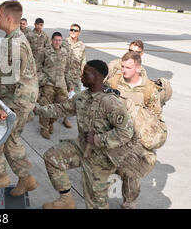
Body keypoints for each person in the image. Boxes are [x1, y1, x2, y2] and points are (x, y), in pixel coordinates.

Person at [36, 60, 133, 209]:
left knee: (96, 203)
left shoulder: (111, 103)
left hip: (102, 158)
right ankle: (66, 200)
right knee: (52, 157)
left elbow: (126, 132)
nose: (81, 77)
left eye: (85, 74)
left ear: (97, 77)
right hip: (82, 147)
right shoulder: (82, 97)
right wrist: (37, 109)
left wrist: (98, 139)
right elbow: (62, 109)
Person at [0, 1, 39, 196]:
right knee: (11, 138)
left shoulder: (14, 44)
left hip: (17, 100)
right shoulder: (14, 38)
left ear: (9, 18)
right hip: (20, 99)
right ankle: (26, 179)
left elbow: (17, 81)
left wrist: (7, 108)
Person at [106, 51, 161, 209]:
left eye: (128, 67)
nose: (124, 70)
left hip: (135, 142)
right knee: (106, 175)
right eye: (122, 66)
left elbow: (154, 120)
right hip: (114, 137)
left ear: (138, 68)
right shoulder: (114, 83)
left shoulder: (149, 90)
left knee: (131, 177)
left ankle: (129, 204)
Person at [36, 32, 73, 139]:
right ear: (51, 40)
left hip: (61, 85)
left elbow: (67, 70)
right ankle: (44, 127)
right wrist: (43, 80)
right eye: (55, 40)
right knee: (46, 107)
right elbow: (37, 68)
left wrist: (69, 83)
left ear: (62, 41)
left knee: (62, 107)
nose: (57, 42)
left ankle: (51, 122)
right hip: (48, 85)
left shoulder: (65, 52)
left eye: (59, 40)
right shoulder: (44, 51)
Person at [61, 24, 87, 128]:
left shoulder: (81, 45)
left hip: (75, 76)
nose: (73, 32)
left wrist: (83, 72)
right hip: (63, 74)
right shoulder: (63, 42)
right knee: (61, 95)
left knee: (74, 98)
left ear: (79, 32)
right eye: (71, 30)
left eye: (75, 30)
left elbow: (83, 60)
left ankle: (66, 118)